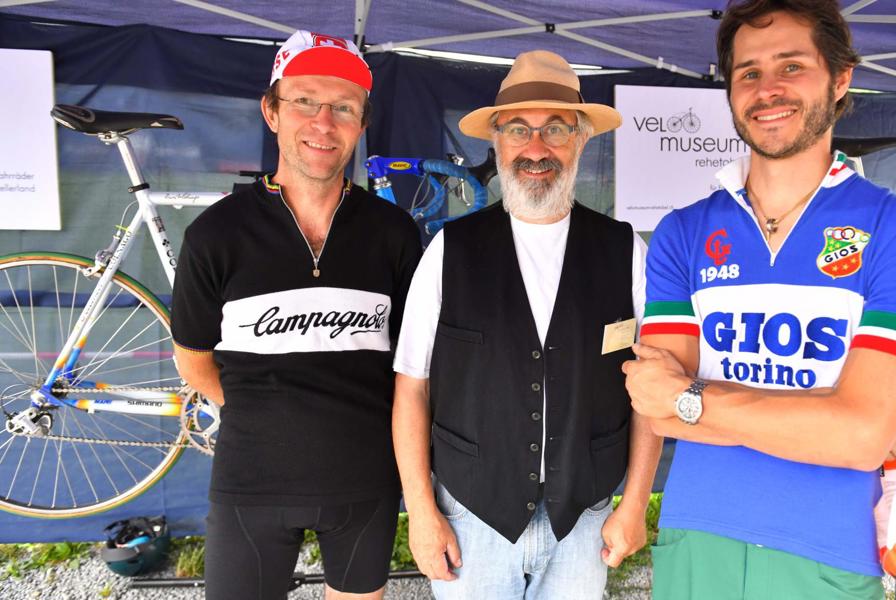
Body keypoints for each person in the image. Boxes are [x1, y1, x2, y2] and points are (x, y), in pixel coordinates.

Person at [622, 1, 896, 598]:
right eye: (748, 73)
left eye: (792, 66)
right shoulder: (682, 232)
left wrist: (690, 397)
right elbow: (655, 407)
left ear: (841, 77)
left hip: (831, 547)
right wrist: (826, 412)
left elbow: (860, 438)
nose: (767, 90)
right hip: (697, 534)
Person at [392, 50, 662, 599]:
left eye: (555, 129)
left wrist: (634, 504)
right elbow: (411, 389)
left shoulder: (623, 250)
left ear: (583, 137)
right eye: (519, 129)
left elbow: (650, 392)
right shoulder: (450, 250)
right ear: (496, 140)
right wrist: (421, 512)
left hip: (582, 521)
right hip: (472, 516)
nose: (536, 149)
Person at [171, 30, 422, 600]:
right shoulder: (216, 235)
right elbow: (193, 359)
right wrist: (267, 417)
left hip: (364, 483)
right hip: (249, 485)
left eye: (343, 108)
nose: (323, 122)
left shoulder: (395, 234)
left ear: (361, 123)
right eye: (305, 101)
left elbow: (412, 366)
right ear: (272, 111)